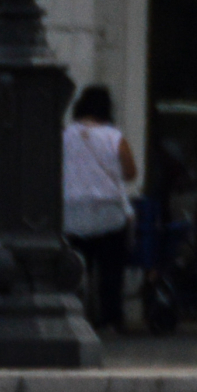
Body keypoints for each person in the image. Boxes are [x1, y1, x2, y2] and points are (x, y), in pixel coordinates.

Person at [62, 85, 137, 332]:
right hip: (108, 212)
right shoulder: (114, 137)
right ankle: (109, 319)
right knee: (110, 272)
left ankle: (72, 315)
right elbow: (130, 173)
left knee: (74, 269)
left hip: (72, 212)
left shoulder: (64, 135)